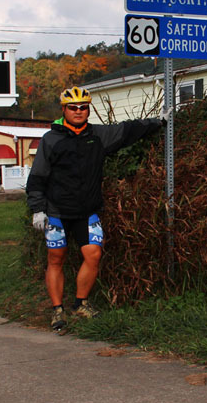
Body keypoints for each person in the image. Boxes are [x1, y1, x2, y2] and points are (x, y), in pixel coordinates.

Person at [27, 86, 165, 331]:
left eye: (83, 107)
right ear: (64, 110)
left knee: (94, 255)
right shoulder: (51, 139)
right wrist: (38, 209)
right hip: (56, 212)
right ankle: (57, 310)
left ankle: (80, 303)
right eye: (73, 107)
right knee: (56, 259)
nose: (78, 111)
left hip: (87, 210)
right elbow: (37, 176)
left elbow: (129, 130)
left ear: (88, 109)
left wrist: (159, 121)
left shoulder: (99, 135)